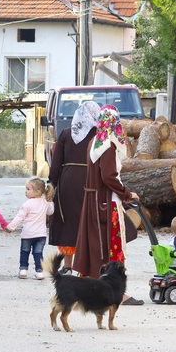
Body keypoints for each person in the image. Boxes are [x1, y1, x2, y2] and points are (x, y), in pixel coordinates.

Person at [72, 104, 143, 305]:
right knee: (111, 245)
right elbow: (109, 176)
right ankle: (116, 293)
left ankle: (86, 289)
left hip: (94, 201)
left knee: (94, 245)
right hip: (106, 202)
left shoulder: (95, 141)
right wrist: (127, 194)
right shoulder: (108, 145)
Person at [48, 101, 100, 275]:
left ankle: (68, 266)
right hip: (91, 181)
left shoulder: (66, 133)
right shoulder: (99, 135)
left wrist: (52, 183)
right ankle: (86, 267)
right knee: (88, 222)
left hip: (68, 181)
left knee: (68, 222)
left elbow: (56, 163)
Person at [5, 178, 55, 279]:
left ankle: (23, 270)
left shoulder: (27, 204)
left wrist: (10, 227)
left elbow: (19, 217)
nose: (25, 191)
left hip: (28, 234)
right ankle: (39, 272)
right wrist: (50, 202)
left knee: (24, 251)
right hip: (41, 235)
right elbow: (51, 212)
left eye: (28, 189)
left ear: (37, 192)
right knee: (38, 253)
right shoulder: (45, 202)